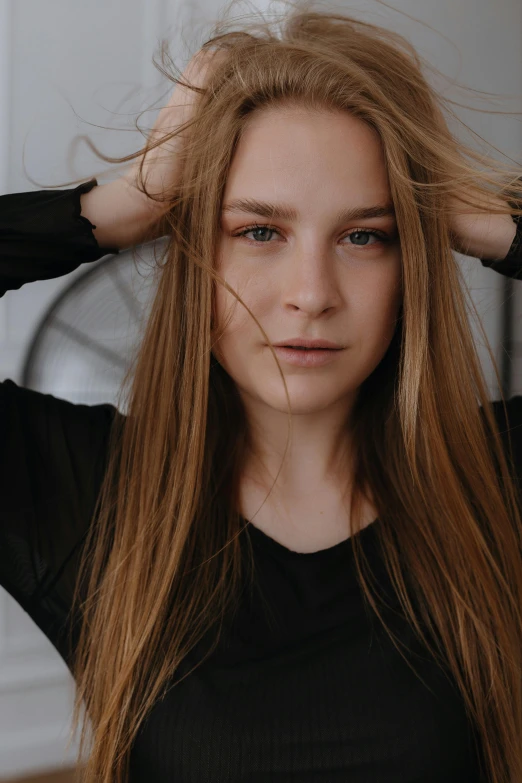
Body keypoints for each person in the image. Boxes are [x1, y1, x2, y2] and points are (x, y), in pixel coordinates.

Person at [1, 5, 522, 782]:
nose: (311, 294)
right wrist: (124, 205)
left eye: (364, 236)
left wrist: (480, 217)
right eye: (258, 232)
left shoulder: (497, 482)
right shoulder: (85, 495)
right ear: (193, 250)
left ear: (413, 261)